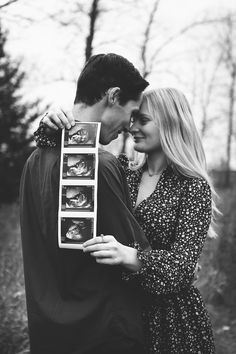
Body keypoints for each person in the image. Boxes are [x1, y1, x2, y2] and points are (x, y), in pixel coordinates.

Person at [39, 88, 216, 353]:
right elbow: (73, 161)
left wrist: (129, 256)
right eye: (133, 119)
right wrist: (51, 123)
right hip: (117, 314)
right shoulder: (122, 171)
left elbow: (182, 268)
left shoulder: (192, 186)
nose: (132, 127)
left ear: (171, 123)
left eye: (143, 120)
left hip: (170, 323)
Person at [20, 53, 150, 354]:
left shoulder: (34, 160)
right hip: (105, 332)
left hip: (50, 335)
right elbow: (136, 252)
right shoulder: (99, 164)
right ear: (114, 96)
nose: (129, 126)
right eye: (131, 113)